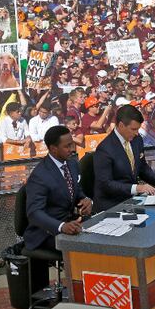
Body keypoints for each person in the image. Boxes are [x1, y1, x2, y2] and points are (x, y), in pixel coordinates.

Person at [22, 125, 91, 294]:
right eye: (67, 146)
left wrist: (86, 200)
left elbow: (77, 192)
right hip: (45, 232)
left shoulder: (72, 165)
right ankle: (80, 293)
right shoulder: (40, 175)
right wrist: (61, 227)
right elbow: (34, 213)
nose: (72, 148)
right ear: (53, 149)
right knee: (84, 248)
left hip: (70, 222)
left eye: (72, 144)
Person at [93, 105, 155, 212]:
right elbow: (106, 184)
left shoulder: (137, 140)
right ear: (121, 125)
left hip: (132, 200)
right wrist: (137, 188)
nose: (137, 133)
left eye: (138, 129)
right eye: (133, 129)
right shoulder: (105, 149)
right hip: (112, 205)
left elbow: (142, 168)